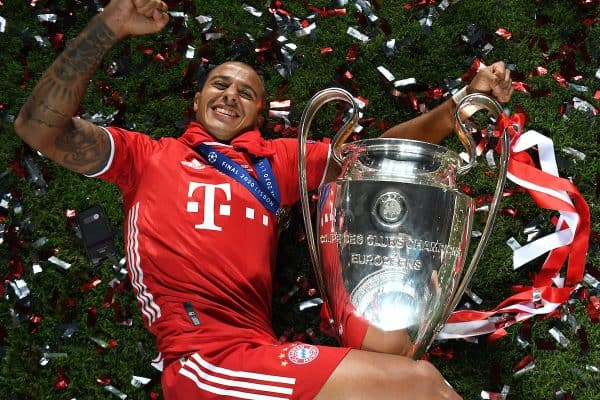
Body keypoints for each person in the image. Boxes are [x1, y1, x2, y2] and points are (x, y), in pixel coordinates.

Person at [14, 1, 513, 399]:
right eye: (220, 84)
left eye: (246, 93)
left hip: (256, 356)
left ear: (258, 113)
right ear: (196, 100)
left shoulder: (276, 164)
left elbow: (374, 159)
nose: (231, 95)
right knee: (419, 385)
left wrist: (461, 104)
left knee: (405, 368)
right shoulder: (146, 157)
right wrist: (110, 24)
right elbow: (38, 126)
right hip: (205, 363)